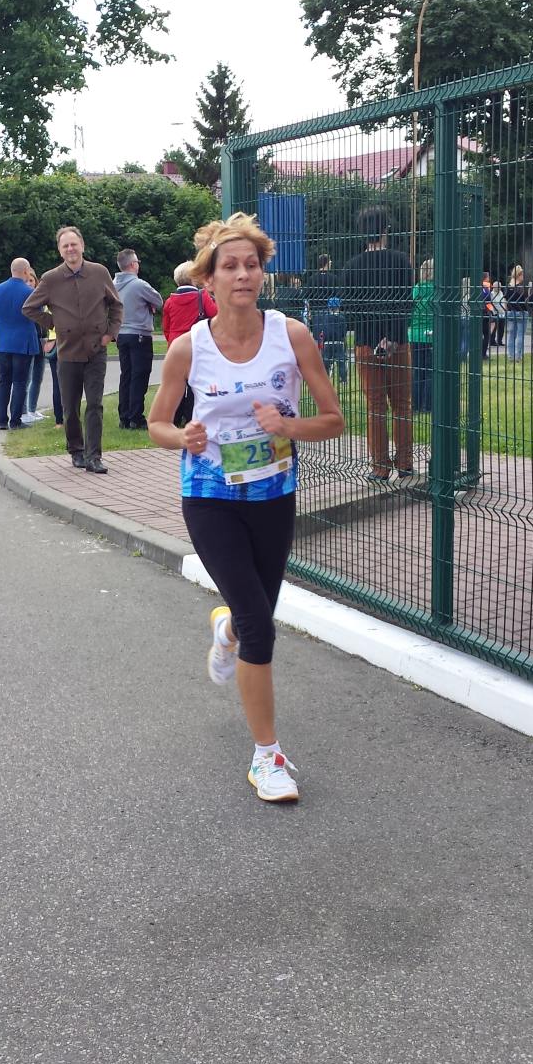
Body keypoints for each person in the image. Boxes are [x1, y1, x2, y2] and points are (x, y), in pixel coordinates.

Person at [147, 213, 344, 803]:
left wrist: (288, 426)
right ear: (207, 280)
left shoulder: (292, 336)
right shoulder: (189, 348)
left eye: (251, 265)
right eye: (229, 266)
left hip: (273, 493)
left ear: (263, 274)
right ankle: (267, 758)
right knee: (262, 624)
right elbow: (157, 424)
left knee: (252, 612)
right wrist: (183, 437)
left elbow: (333, 420)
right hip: (210, 497)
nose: (242, 275)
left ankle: (226, 626)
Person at [23, 226, 122, 473]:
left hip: (96, 350)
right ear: (60, 250)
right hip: (68, 352)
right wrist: (54, 323)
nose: (70, 249)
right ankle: (76, 450)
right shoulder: (51, 279)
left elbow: (116, 305)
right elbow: (29, 308)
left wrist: (110, 333)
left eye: (74, 244)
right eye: (65, 246)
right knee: (70, 407)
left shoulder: (99, 273)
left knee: (95, 404)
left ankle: (94, 456)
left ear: (82, 246)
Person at [339, 205, 415, 481]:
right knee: (402, 404)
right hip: (398, 342)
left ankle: (380, 467)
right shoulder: (401, 261)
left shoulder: (351, 267)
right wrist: (391, 337)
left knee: (375, 406)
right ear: (386, 230)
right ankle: (405, 463)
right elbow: (405, 302)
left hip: (365, 344)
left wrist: (373, 338)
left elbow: (350, 309)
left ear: (362, 233)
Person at [161, 259, 217, 428]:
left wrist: (172, 342)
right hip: (197, 344)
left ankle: (175, 417)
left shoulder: (170, 301)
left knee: (176, 383)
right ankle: (191, 416)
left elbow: (166, 327)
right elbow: (215, 314)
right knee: (195, 384)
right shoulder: (201, 296)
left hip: (175, 346)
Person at [113, 248, 163, 429]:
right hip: (139, 333)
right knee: (139, 376)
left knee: (126, 375)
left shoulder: (112, 284)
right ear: (133, 264)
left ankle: (124, 416)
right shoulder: (139, 285)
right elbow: (158, 301)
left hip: (121, 333)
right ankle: (136, 417)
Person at [0, 258, 41, 431]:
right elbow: (38, 315)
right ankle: (16, 420)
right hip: (23, 341)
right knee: (20, 382)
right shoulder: (30, 292)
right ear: (26, 271)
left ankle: (2, 420)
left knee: (3, 381)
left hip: (2, 341)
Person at [20, 265, 49, 426]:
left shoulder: (41, 299)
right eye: (27, 281)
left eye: (32, 280)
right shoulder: (23, 300)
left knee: (38, 376)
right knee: (27, 377)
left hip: (41, 339)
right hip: (28, 341)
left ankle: (32, 408)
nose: (30, 283)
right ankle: (23, 411)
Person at [408, 259, 435, 413]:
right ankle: (428, 406)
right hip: (431, 333)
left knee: (417, 371)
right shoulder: (437, 289)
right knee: (430, 371)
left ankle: (415, 405)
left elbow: (410, 310)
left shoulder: (416, 289)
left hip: (415, 334)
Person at [310, 296, 348, 385]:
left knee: (326, 362)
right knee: (341, 362)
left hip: (327, 343)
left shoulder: (325, 317)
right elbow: (344, 332)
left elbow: (322, 330)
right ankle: (343, 379)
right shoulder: (342, 318)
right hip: (339, 343)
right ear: (339, 306)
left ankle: (325, 378)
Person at [503, 264, 529, 362]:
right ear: (519, 275)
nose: (523, 277)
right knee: (520, 335)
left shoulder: (508, 286)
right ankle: (518, 355)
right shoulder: (521, 287)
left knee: (511, 334)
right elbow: (526, 300)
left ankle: (511, 355)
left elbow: (505, 301)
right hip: (521, 312)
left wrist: (507, 310)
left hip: (510, 312)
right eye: (522, 275)